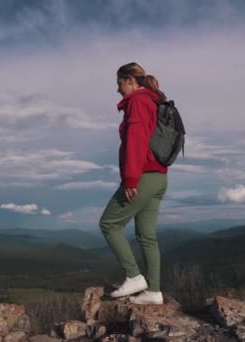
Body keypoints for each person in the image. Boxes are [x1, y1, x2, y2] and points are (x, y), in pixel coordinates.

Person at [99, 62, 169, 305]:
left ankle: (134, 276)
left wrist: (130, 179)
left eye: (119, 83)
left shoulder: (138, 101)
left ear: (130, 80)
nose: (118, 89)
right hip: (159, 177)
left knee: (109, 224)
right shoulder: (153, 100)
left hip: (144, 176)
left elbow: (136, 142)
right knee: (147, 236)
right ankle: (154, 292)